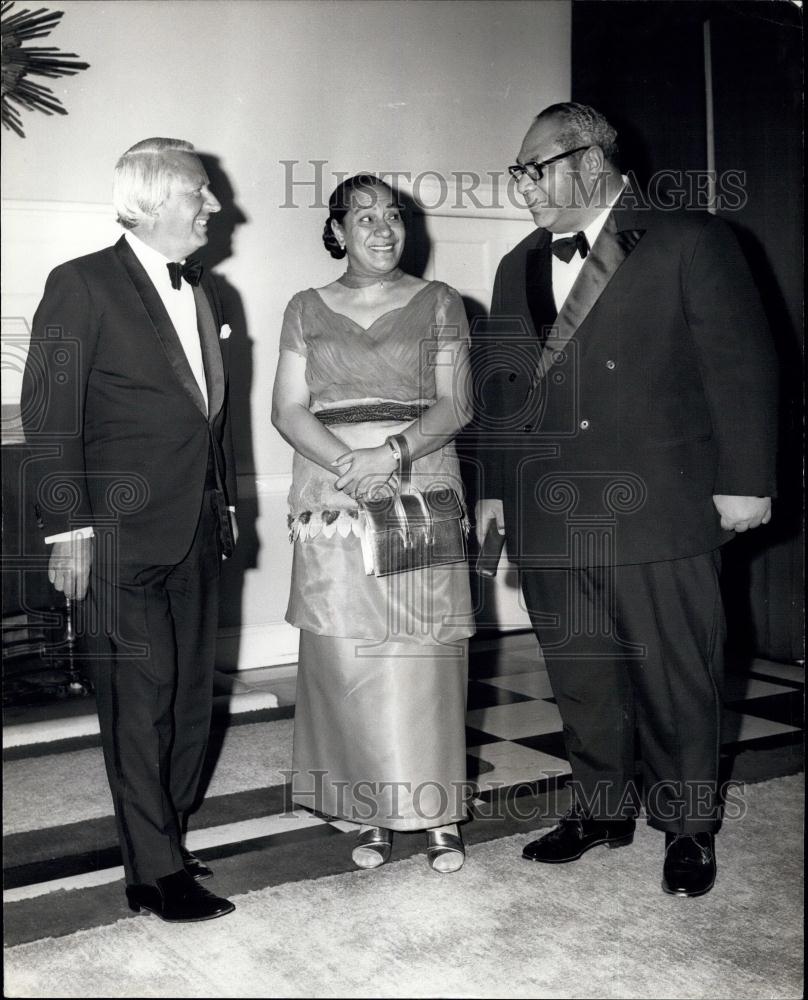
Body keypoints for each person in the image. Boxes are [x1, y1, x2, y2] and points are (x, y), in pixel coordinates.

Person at [475, 103, 778, 897]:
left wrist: (746, 479)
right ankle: (602, 807)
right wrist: (497, 495)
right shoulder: (517, 264)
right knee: (580, 672)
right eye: (518, 173)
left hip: (659, 503)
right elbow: (503, 389)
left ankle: (688, 828)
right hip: (550, 506)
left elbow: (741, 367)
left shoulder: (692, 240)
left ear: (592, 159)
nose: (522, 188)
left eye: (531, 168)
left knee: (678, 675)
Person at [21, 138, 238, 921]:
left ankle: (164, 844)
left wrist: (228, 503)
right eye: (200, 192)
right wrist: (66, 528)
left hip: (196, 529)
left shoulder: (210, 292)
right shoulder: (80, 284)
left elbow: (212, 418)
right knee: (136, 702)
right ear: (149, 199)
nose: (214, 206)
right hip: (113, 534)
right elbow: (50, 415)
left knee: (188, 702)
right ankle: (154, 872)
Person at [272, 174, 474, 873]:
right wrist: (349, 464)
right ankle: (368, 815)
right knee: (347, 652)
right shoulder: (304, 306)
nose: (384, 229)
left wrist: (389, 454)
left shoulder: (440, 301)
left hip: (417, 481)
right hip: (332, 490)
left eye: (394, 217)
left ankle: (437, 816)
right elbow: (288, 409)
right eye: (364, 218)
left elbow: (456, 405)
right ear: (337, 231)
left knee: (421, 650)